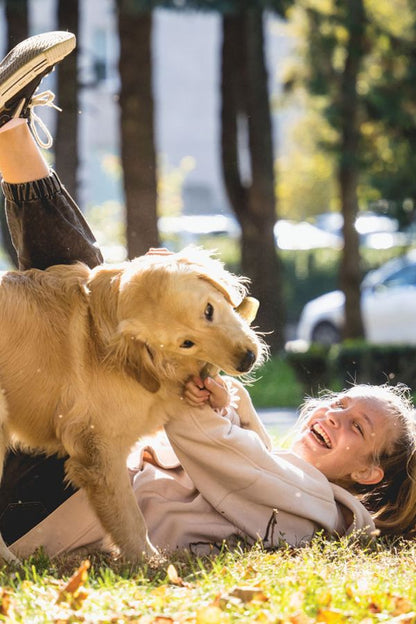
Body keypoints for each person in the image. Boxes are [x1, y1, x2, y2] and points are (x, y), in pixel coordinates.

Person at [1, 32, 416, 560]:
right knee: (81, 300)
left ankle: (10, 131)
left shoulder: (319, 511)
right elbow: (237, 451)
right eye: (340, 401)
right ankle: (10, 131)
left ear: (368, 473)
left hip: (51, 510)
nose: (333, 414)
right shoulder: (280, 471)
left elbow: (204, 439)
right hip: (57, 489)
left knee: (95, 301)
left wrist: (198, 382)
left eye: (356, 425)